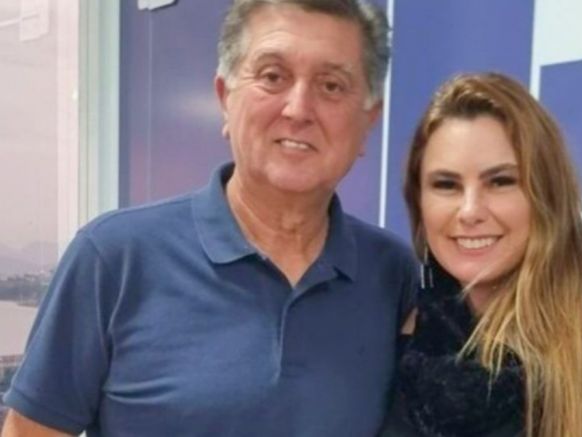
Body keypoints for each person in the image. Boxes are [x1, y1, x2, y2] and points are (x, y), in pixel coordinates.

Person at [1, 1, 417, 436]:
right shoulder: (113, 259)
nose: (298, 109)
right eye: (273, 76)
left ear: (368, 122)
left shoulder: (392, 275)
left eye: (331, 86)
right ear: (224, 98)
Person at [379, 73, 582, 437]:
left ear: (546, 195)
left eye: (500, 182)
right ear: (418, 201)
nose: (470, 211)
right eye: (446, 185)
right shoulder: (394, 334)